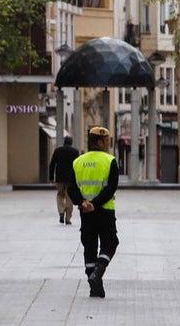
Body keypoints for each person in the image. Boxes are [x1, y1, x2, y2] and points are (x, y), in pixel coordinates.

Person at [67, 125, 120, 298]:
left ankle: (93, 284)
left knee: (89, 246)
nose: (107, 143)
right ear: (99, 141)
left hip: (86, 213)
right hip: (104, 211)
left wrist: (82, 202)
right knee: (110, 243)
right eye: (105, 140)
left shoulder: (78, 162)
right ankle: (98, 272)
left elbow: (71, 189)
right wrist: (95, 204)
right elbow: (111, 188)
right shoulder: (110, 161)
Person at [48, 135, 80, 225]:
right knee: (69, 197)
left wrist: (51, 177)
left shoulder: (58, 151)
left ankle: (61, 212)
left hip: (60, 178)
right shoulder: (75, 152)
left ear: (64, 142)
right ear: (71, 142)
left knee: (60, 195)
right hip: (71, 179)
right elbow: (78, 165)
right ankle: (68, 218)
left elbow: (52, 164)